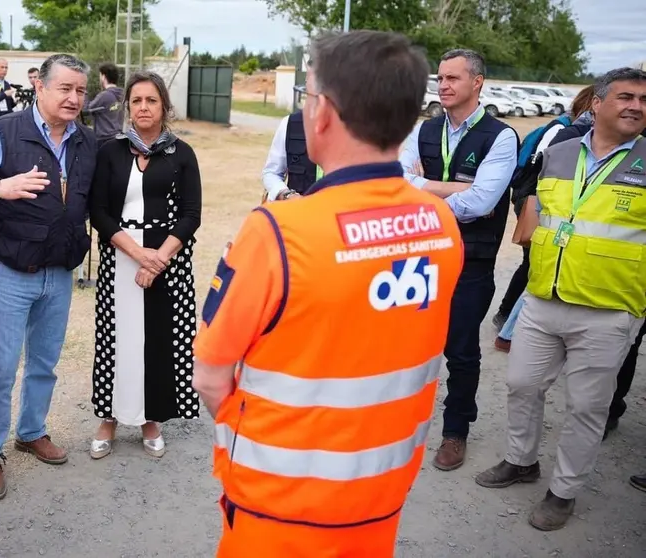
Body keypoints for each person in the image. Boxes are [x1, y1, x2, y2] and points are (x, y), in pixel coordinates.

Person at [192, 31, 463, 557]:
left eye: (309, 96)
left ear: (323, 114)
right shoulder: (440, 222)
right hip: (382, 493)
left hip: (279, 507)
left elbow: (210, 375)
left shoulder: (276, 231)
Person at [474, 67, 646, 531]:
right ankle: (520, 461)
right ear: (598, 103)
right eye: (626, 96)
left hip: (609, 309)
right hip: (543, 298)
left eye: (644, 100)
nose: (636, 106)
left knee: (587, 409)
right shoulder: (560, 152)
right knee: (522, 385)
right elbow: (537, 210)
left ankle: (563, 492)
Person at [0, 53, 96, 501]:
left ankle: (31, 431)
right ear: (41, 88)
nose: (73, 98)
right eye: (65, 88)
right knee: (1, 367)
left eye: (81, 90)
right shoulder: (4, 130)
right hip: (9, 271)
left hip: (59, 273)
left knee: (45, 363)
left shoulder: (86, 141)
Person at [400, 48, 519, 471]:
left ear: (477, 82)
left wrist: (423, 188)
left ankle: (455, 432)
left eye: (452, 78)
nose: (443, 85)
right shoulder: (424, 130)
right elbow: (399, 182)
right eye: (440, 78)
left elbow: (485, 201)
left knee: (462, 348)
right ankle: (401, 420)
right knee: (409, 343)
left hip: (472, 259)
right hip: (421, 255)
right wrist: (450, 189)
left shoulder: (501, 136)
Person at [88, 71, 202, 459]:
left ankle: (151, 418)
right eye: (136, 100)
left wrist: (157, 260)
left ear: (164, 106)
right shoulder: (111, 152)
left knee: (156, 340)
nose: (143, 107)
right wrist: (137, 254)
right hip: (121, 257)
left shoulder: (181, 153)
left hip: (167, 261)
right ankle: (109, 419)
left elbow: (191, 215)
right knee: (116, 340)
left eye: (151, 100)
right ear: (127, 107)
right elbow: (99, 212)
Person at [492, 85, 597, 339]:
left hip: (538, 196)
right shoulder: (562, 129)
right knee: (532, 259)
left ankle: (509, 316)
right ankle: (506, 314)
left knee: (532, 260)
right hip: (532, 196)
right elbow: (540, 164)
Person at [260, 107, 323, 202]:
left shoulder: (350, 127)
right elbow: (271, 173)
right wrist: (286, 195)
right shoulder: (290, 124)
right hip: (299, 213)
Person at [82, 63, 125, 147]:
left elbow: (85, 110)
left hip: (104, 140)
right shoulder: (122, 94)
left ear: (103, 77)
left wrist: (83, 92)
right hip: (118, 137)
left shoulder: (104, 96)